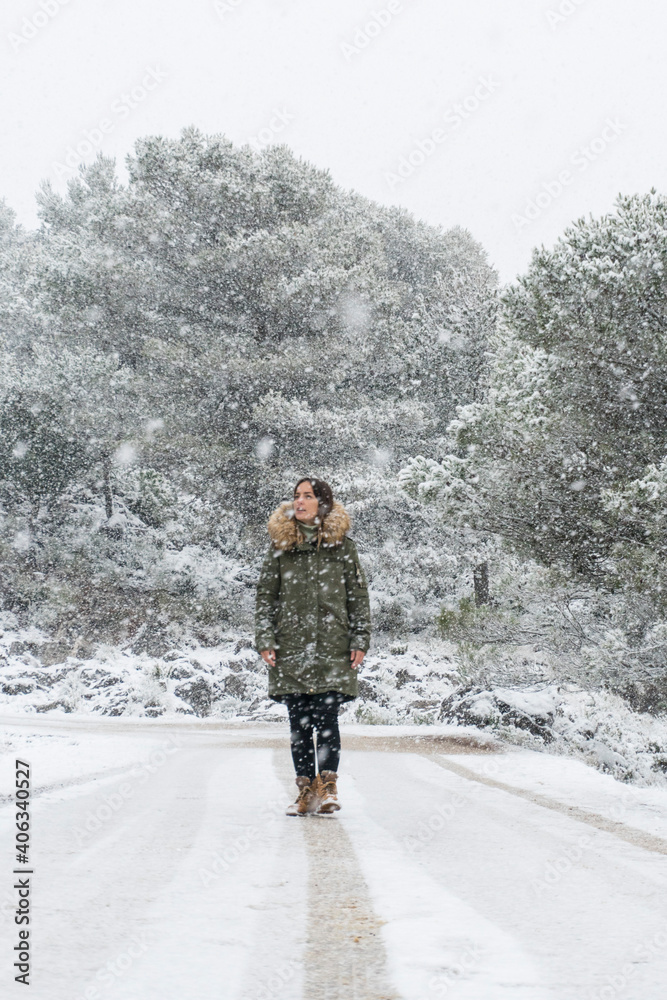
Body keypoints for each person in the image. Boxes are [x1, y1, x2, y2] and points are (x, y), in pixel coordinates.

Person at [255, 477, 371, 816]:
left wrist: (360, 639)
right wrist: (265, 639)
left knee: (327, 716)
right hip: (291, 647)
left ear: (323, 504)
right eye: (296, 496)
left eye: (307, 496)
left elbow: (358, 597)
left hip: (333, 646)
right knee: (300, 722)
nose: (300, 502)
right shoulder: (280, 547)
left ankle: (329, 785)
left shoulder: (343, 548)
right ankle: (305, 789)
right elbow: (266, 597)